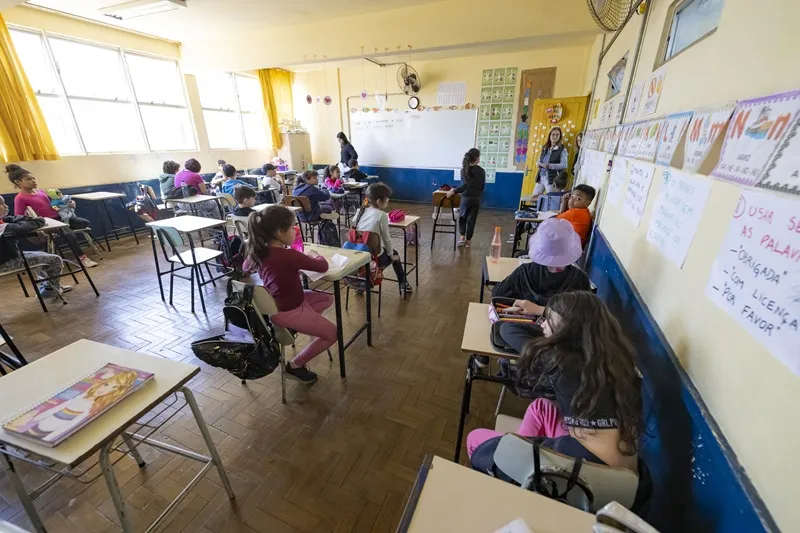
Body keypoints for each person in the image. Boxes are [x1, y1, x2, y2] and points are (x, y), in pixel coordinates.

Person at [467, 291, 643, 475]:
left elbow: (506, 329)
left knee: (475, 439)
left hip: (586, 469)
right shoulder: (619, 361)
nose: (542, 323)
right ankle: (521, 451)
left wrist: (544, 318)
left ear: (567, 333)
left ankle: (517, 466)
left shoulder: (563, 364)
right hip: (622, 469)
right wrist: (553, 320)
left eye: (548, 321)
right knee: (541, 408)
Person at [244, 205, 337, 384]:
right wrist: (316, 255)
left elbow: (245, 267)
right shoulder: (289, 255)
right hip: (288, 310)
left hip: (278, 303)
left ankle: (297, 327)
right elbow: (322, 266)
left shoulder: (258, 251)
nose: (295, 230)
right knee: (332, 334)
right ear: (280, 232)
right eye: (292, 227)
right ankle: (294, 366)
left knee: (326, 298)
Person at [7, 165, 98, 268]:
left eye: (33, 178)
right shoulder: (20, 198)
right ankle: (83, 258)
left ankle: (65, 229)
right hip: (48, 223)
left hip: (60, 218)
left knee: (84, 223)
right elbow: (18, 216)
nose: (33, 181)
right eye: (29, 179)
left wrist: (69, 203)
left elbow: (56, 203)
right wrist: (34, 224)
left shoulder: (41, 192)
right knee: (69, 234)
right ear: (18, 182)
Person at [492, 218, 590, 313]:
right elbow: (587, 314)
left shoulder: (524, 272)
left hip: (524, 321)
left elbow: (497, 294)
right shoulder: (580, 279)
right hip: (563, 324)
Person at [0, 196, 70, 298]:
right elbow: (23, 227)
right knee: (55, 259)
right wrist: (38, 220)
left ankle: (48, 285)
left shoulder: (2, 220)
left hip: (9, 256)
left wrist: (33, 219)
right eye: (1, 204)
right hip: (5, 262)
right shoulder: (2, 226)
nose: (6, 206)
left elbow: (13, 219)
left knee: (44, 255)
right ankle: (49, 290)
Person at [353, 183, 413, 294]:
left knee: (381, 253)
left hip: (358, 256)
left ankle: (363, 282)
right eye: (386, 198)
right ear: (379, 201)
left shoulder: (359, 211)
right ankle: (403, 284)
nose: (388, 200)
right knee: (394, 254)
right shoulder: (382, 215)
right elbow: (386, 239)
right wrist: (391, 255)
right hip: (374, 258)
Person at [447, 148, 485, 248]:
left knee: (462, 218)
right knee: (472, 220)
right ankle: (468, 241)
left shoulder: (463, 170)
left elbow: (465, 186)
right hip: (476, 198)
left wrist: (454, 190)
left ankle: (462, 237)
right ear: (477, 159)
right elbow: (482, 187)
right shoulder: (481, 171)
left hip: (465, 198)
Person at [537, 127, 568, 193]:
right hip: (541, 176)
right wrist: (538, 164)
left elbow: (564, 165)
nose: (555, 136)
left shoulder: (562, 149)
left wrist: (549, 166)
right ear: (550, 135)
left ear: (560, 136)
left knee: (551, 197)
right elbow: (539, 160)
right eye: (553, 134)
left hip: (552, 179)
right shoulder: (545, 147)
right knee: (534, 197)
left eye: (557, 134)